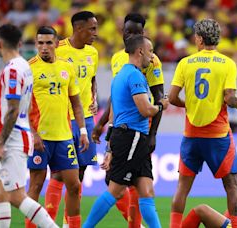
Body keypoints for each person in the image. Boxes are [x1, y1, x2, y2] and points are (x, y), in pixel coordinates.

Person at [82, 34, 169, 228]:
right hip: (132, 137)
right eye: (151, 51)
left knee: (146, 191)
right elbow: (145, 110)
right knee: (116, 191)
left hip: (133, 137)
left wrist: (110, 146)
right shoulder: (135, 75)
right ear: (140, 51)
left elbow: (114, 115)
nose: (153, 57)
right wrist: (161, 105)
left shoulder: (121, 75)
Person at [168, 19, 237, 228]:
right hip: (218, 136)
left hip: (191, 134)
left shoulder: (186, 63)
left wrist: (189, 104)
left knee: (182, 188)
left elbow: (172, 97)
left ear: (200, 39)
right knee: (232, 186)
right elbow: (229, 98)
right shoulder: (228, 63)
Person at [0, 24, 58, 228]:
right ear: (20, 44)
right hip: (18, 135)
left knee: (16, 196)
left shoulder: (12, 70)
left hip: (13, 140)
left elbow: (13, 109)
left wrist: (1, 144)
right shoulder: (24, 66)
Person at [25, 26, 89, 228]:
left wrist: (83, 131)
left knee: (74, 184)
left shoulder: (66, 67)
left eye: (48, 43)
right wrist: (33, 133)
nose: (44, 47)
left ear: (56, 43)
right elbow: (22, 107)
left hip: (64, 137)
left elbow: (76, 104)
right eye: (40, 43)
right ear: (36, 44)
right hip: (39, 138)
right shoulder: (29, 69)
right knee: (35, 185)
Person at [44, 11, 99, 227]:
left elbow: (92, 80)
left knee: (80, 175)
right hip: (64, 119)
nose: (96, 33)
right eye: (92, 28)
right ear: (78, 28)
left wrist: (95, 98)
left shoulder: (93, 53)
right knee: (59, 174)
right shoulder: (59, 50)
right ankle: (46, 222)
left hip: (86, 119)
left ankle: (69, 223)